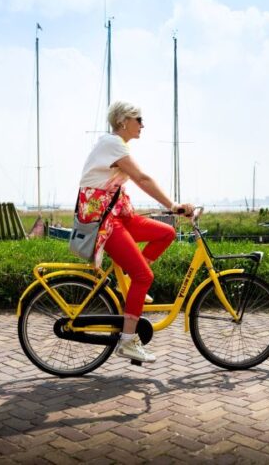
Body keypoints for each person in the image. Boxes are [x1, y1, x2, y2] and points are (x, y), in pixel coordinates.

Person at [77, 100, 194, 363]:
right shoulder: (112, 143)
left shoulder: (117, 145)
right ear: (122, 121)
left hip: (119, 215)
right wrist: (173, 205)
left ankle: (128, 283)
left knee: (166, 233)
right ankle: (128, 341)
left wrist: (172, 212)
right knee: (145, 275)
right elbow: (142, 179)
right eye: (138, 119)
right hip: (105, 222)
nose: (142, 124)